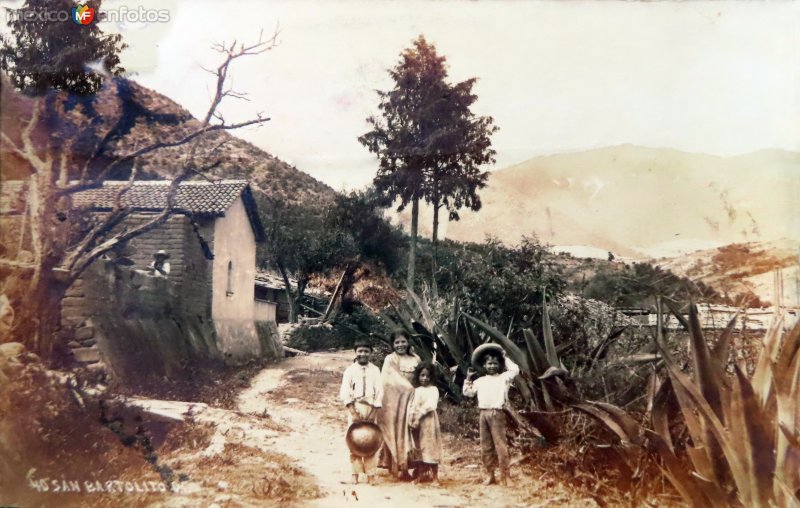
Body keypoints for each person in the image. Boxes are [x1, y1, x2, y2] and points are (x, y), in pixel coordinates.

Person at [462, 343, 520, 486]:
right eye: (489, 363)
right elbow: (467, 393)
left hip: (497, 413)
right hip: (483, 414)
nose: (492, 366)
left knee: (500, 445)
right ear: (484, 365)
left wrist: (505, 357)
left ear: (499, 365)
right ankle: (490, 474)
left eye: (495, 363)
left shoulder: (504, 378)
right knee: (486, 445)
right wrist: (468, 379)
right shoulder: (480, 381)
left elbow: (515, 370)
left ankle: (506, 476)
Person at [377, 329, 421, 480]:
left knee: (411, 432)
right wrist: (408, 388)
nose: (400, 345)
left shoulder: (415, 358)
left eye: (403, 341)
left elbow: (421, 377)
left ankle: (413, 466)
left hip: (412, 400)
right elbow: (390, 379)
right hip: (396, 401)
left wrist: (419, 392)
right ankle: (397, 467)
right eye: (397, 342)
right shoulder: (390, 359)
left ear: (408, 342)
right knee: (397, 432)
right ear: (392, 345)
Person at [339, 339, 384, 485]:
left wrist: (374, 412)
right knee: (355, 441)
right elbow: (345, 391)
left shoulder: (375, 370)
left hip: (370, 408)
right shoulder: (350, 370)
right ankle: (355, 473)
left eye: (366, 351)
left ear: (371, 352)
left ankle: (371, 474)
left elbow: (379, 391)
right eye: (360, 351)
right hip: (356, 407)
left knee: (371, 441)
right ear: (355, 352)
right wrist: (352, 412)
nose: (363, 354)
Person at [408, 362, 442, 484]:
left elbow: (430, 406)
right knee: (418, 447)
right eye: (422, 375)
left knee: (430, 447)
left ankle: (435, 477)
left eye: (428, 376)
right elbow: (413, 406)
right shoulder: (416, 390)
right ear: (418, 376)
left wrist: (418, 418)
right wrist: (411, 419)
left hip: (428, 421)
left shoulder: (433, 390)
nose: (425, 378)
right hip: (416, 422)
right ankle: (421, 474)